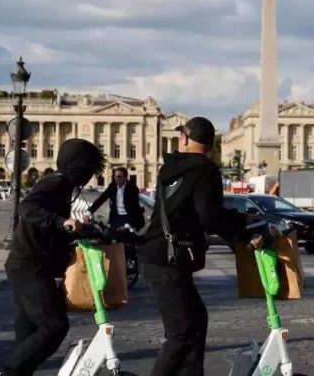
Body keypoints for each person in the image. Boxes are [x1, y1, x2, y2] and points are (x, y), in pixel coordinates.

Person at [139, 116, 264, 376]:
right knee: (181, 333)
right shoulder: (204, 171)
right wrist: (242, 234)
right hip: (167, 259)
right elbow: (208, 216)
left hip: (160, 254)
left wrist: (239, 218)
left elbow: (191, 210)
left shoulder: (169, 169)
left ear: (185, 138)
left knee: (196, 322)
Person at [0, 139, 106, 376]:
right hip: (28, 266)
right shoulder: (55, 182)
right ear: (80, 168)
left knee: (28, 337)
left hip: (33, 266)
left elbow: (54, 230)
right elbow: (27, 209)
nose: (89, 177)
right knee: (54, 325)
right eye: (88, 171)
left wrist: (90, 231)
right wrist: (62, 222)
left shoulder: (63, 186)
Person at [89, 167, 145, 233]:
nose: (116, 179)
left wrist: (127, 226)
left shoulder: (133, 188)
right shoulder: (112, 185)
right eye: (115, 176)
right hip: (116, 217)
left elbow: (134, 209)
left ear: (125, 177)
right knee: (107, 235)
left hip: (129, 217)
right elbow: (102, 198)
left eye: (119, 177)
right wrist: (89, 212)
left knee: (126, 236)